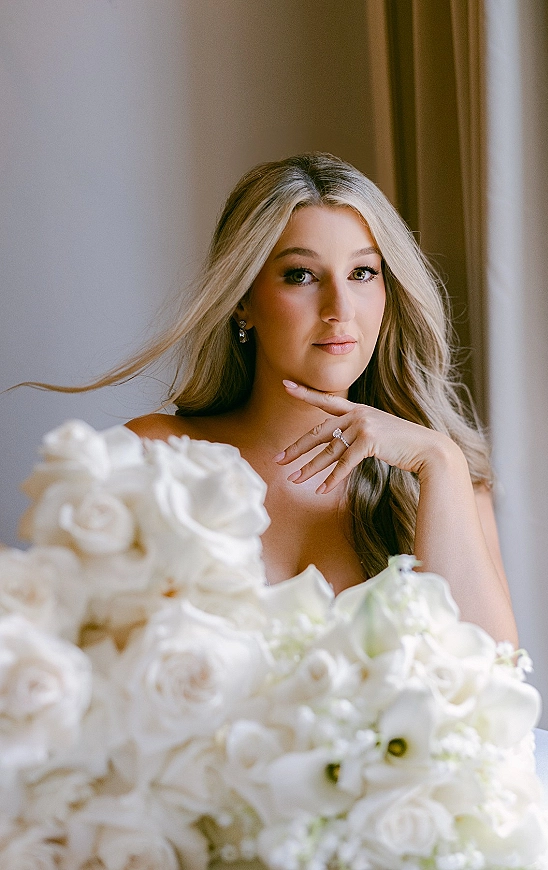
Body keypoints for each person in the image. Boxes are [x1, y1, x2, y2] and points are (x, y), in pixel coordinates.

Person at [42, 152, 520, 644]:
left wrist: (440, 459)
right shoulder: (153, 455)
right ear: (243, 300)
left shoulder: (441, 477)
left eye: (362, 273)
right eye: (301, 275)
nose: (340, 309)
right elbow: (78, 657)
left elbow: (492, 678)